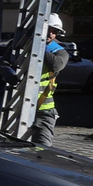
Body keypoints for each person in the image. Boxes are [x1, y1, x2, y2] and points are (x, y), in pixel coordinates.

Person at [29, 13, 70, 147]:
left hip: (44, 111)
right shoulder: (21, 45)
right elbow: (4, 64)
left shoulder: (59, 51)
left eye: (54, 32)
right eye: (49, 29)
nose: (51, 34)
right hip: (17, 107)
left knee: (43, 150)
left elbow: (56, 65)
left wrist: (38, 47)